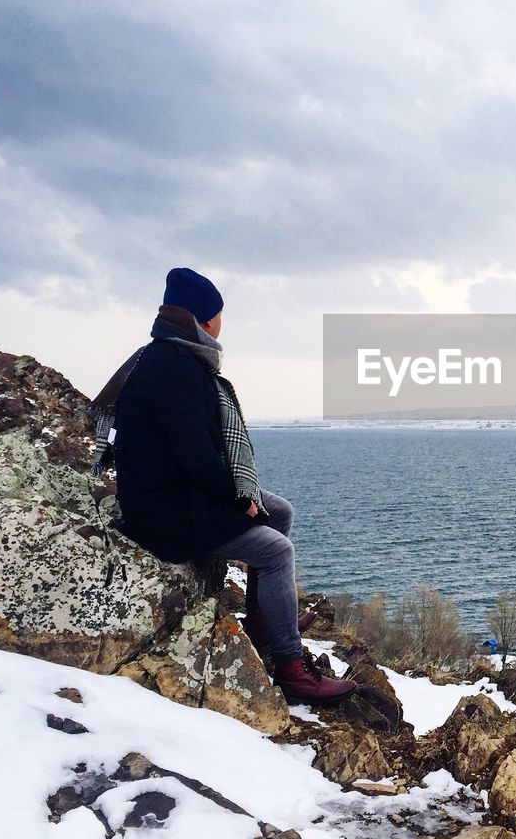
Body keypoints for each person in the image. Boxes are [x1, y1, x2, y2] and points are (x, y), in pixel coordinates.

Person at [91, 267, 356, 704]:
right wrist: (238, 499)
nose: (221, 326)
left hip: (169, 492)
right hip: (165, 512)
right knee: (276, 551)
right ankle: (293, 671)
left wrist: (242, 496)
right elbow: (196, 456)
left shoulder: (163, 356)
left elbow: (194, 455)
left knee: (281, 510)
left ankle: (262, 621)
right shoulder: (176, 369)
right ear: (203, 320)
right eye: (218, 315)